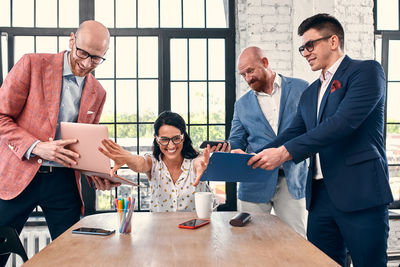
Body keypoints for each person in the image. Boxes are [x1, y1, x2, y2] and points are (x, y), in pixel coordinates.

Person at [248, 13, 393, 266]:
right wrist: (254, 156)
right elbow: (293, 133)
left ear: (334, 41)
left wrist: (284, 153)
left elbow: (342, 124)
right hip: (320, 198)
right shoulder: (310, 92)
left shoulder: (366, 71)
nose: (305, 52)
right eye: (302, 47)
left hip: (361, 192)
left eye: (310, 45)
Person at [0, 20, 116, 266]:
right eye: (82, 53)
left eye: (96, 59)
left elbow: (84, 145)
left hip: (64, 184)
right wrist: (35, 146)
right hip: (17, 178)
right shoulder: (32, 64)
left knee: (72, 258)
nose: (86, 64)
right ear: (72, 40)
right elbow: (1, 116)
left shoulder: (98, 92)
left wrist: (99, 174)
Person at [224, 46, 309, 236]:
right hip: (254, 179)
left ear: (265, 62)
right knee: (250, 240)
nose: (247, 78)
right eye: (243, 74)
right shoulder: (241, 104)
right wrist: (231, 149)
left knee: (295, 240)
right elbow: (236, 139)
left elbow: (311, 131)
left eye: (250, 71)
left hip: (292, 178)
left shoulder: (302, 88)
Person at [99, 111, 213, 212]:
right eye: (164, 139)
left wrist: (201, 166)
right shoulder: (153, 162)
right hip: (160, 231)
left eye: (176, 138)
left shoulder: (195, 162)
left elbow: (199, 163)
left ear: (184, 137)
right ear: (156, 139)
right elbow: (140, 163)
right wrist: (128, 158)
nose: (171, 145)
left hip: (195, 231)